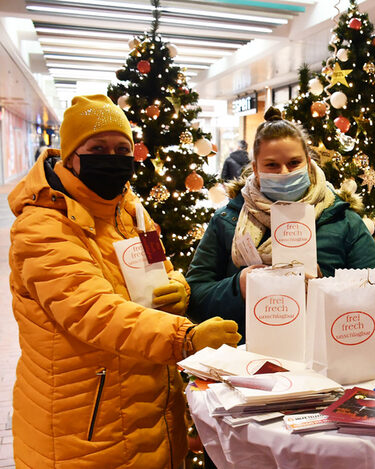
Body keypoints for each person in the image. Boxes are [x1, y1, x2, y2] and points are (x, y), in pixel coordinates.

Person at [8, 95, 241, 468]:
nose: (112, 158)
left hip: (147, 407)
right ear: (70, 156)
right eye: (97, 148)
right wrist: (184, 337)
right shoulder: (42, 225)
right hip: (85, 425)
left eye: (121, 148)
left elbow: (159, 268)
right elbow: (90, 310)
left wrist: (177, 287)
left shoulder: (130, 211)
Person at [186, 107, 375, 339]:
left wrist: (323, 284)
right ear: (256, 170)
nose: (284, 172)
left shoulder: (343, 219)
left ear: (308, 163)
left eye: (293, 163)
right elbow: (194, 298)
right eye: (271, 165)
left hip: (324, 351)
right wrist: (238, 287)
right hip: (246, 356)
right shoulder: (227, 221)